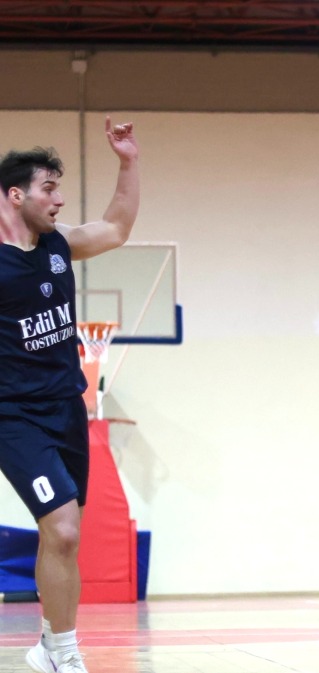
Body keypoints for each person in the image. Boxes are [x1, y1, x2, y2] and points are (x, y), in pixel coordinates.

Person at [0, 118, 140, 673]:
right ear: (15, 195)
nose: (59, 200)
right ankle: (64, 651)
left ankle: (47, 645)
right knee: (60, 526)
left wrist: (128, 161)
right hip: (14, 415)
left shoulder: (59, 247)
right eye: (48, 188)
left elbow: (117, 227)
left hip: (66, 409)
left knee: (62, 537)